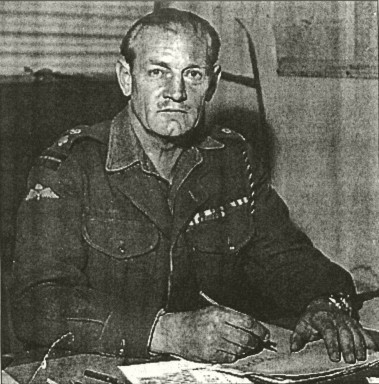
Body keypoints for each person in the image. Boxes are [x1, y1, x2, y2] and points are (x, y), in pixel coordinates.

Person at [12, 8, 375, 365]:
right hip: (94, 365)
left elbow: (284, 256)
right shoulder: (70, 165)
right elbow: (35, 304)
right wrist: (167, 332)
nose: (177, 93)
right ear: (126, 77)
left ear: (212, 83)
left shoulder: (231, 159)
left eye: (193, 74)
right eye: (158, 72)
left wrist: (326, 302)